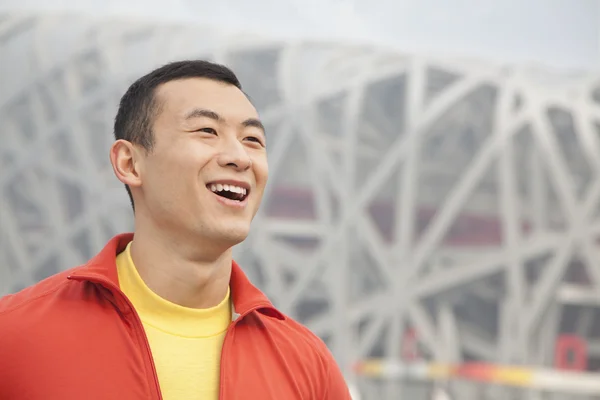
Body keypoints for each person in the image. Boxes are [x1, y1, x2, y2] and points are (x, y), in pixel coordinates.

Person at [0, 60, 352, 400]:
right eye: (207, 131)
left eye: (252, 140)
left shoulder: (306, 364)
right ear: (130, 162)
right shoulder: (13, 338)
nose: (239, 157)